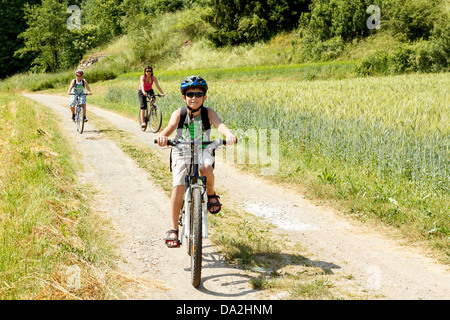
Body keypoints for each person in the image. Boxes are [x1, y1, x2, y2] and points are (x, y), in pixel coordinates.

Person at [156, 76, 237, 248]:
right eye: (190, 94)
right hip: (181, 149)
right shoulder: (179, 113)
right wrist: (163, 136)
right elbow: (170, 127)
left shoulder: (209, 113)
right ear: (184, 97)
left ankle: (211, 194)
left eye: (198, 94)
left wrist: (228, 135)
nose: (194, 97)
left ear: (204, 97)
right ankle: (173, 229)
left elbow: (219, 124)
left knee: (205, 168)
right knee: (178, 185)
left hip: (203, 148)